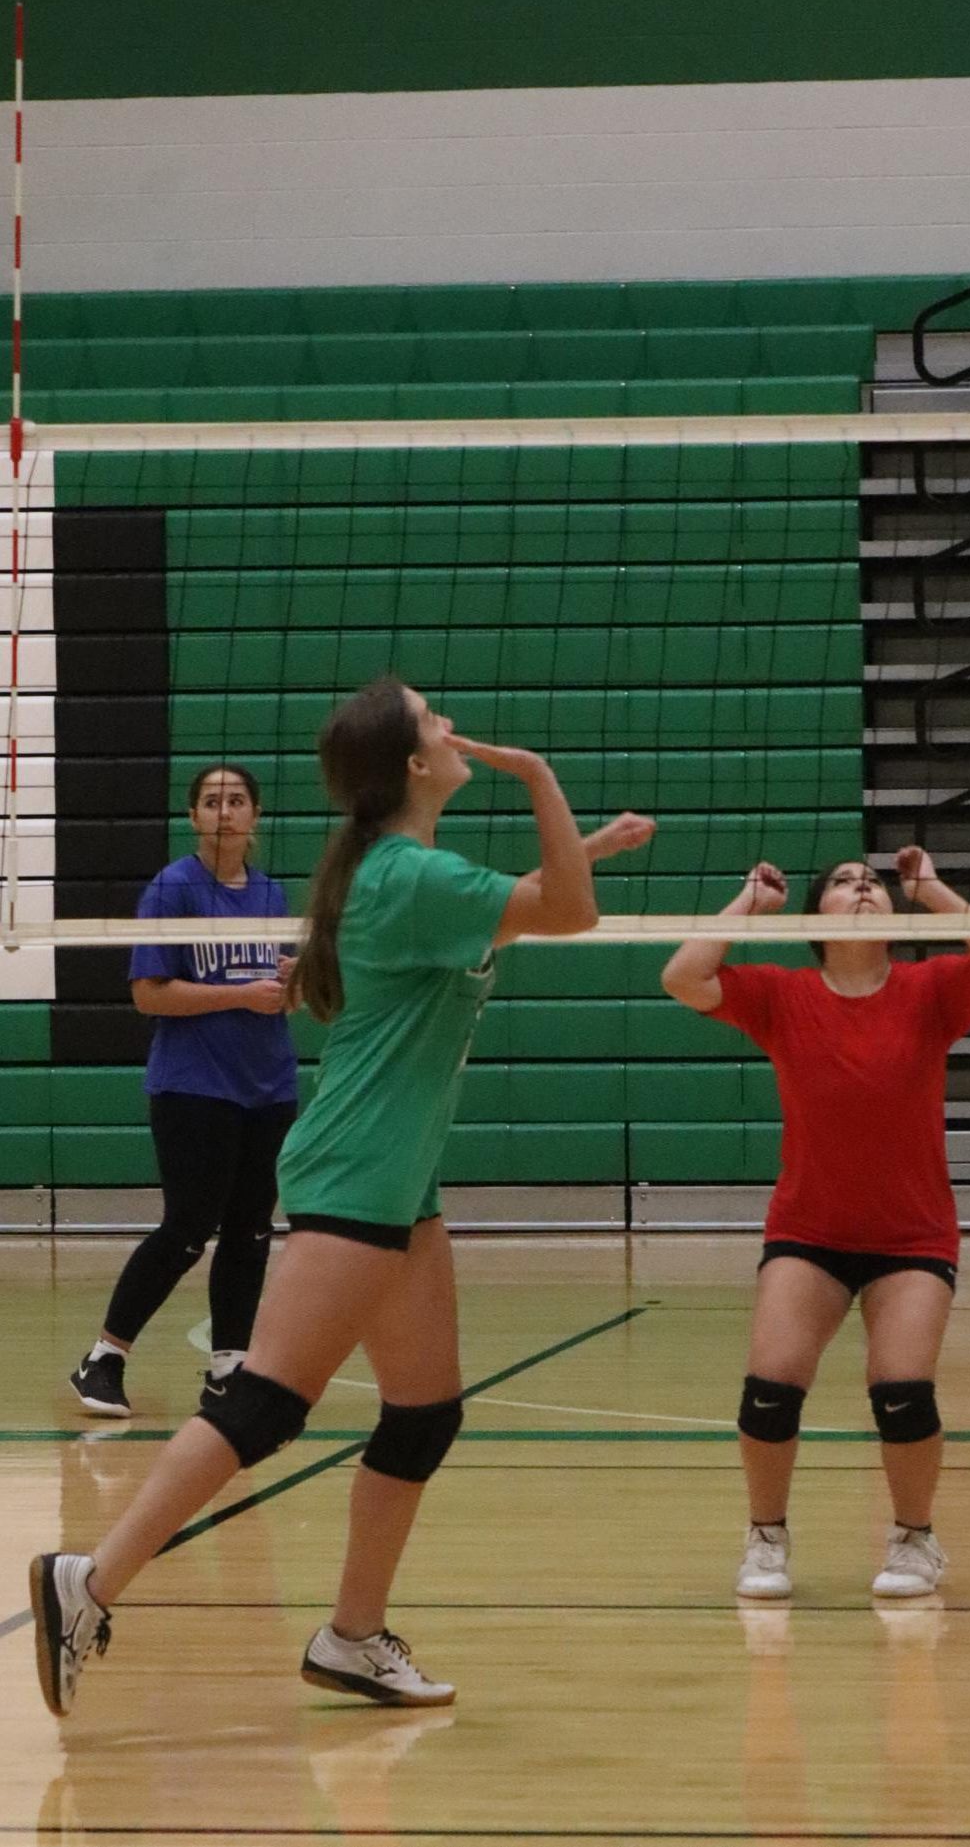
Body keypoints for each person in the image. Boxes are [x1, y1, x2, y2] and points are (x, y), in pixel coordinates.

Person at [30, 675, 653, 1718]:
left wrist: (580, 845)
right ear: (413, 763)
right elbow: (568, 915)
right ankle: (86, 1584)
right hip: (361, 1170)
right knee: (265, 1406)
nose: (454, 726)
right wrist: (543, 779)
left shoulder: (399, 870)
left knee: (421, 1414)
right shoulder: (408, 874)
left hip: (392, 1176)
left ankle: (352, 1637)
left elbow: (523, 906)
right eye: (434, 718)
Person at [661, 848, 970, 1601]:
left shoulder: (931, 989)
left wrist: (930, 889)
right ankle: (766, 1535)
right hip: (810, 1231)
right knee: (769, 1388)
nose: (864, 886)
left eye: (874, 881)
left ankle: (915, 1538)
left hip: (912, 1236)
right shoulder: (780, 995)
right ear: (815, 916)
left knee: (902, 1390)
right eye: (843, 880)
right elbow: (682, 976)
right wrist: (748, 902)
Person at [68, 765, 298, 1419]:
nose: (224, 811)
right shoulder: (173, 889)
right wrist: (240, 994)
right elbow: (148, 994)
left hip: (269, 1086)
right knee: (188, 1227)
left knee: (251, 1229)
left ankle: (230, 1362)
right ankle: (103, 1357)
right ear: (194, 815)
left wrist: (295, 978)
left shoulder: (274, 896)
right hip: (194, 1086)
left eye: (236, 800)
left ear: (256, 814)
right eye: (211, 801)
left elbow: (283, 994)